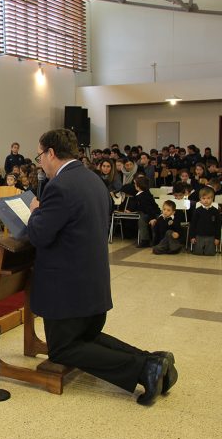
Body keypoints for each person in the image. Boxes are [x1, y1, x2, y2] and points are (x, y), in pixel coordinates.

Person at [27, 129, 176, 406]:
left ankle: (145, 369)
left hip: (67, 290)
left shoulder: (59, 186)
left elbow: (39, 236)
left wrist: (36, 211)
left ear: (50, 153)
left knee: (64, 348)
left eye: (40, 155)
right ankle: (154, 360)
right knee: (87, 338)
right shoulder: (94, 180)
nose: (39, 163)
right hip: (92, 283)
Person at [126, 175, 160, 248]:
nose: (134, 185)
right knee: (141, 220)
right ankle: (145, 240)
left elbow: (149, 208)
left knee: (153, 223)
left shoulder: (145, 195)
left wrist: (152, 218)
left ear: (139, 186)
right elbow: (136, 205)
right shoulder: (139, 194)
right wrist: (130, 210)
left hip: (153, 213)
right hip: (145, 213)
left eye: (135, 184)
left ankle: (156, 241)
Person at [190, 186, 221, 256]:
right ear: (200, 199)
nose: (206, 200)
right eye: (203, 198)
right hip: (199, 236)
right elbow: (193, 224)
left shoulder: (215, 211)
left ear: (212, 199)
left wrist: (217, 238)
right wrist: (192, 237)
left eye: (208, 198)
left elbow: (218, 225)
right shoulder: (197, 211)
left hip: (211, 236)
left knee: (210, 254)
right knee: (198, 253)